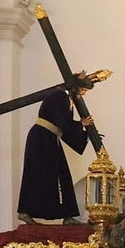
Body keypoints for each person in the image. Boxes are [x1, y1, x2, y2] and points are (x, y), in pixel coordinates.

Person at [18, 84, 93, 223]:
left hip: (49, 138)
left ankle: (68, 215)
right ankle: (25, 212)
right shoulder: (59, 95)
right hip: (41, 139)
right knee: (36, 175)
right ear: (75, 87)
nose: (83, 94)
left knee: (61, 175)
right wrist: (81, 124)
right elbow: (64, 123)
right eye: (83, 90)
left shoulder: (65, 99)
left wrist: (85, 135)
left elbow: (64, 128)